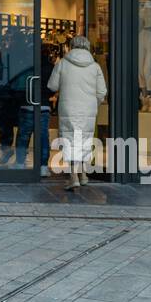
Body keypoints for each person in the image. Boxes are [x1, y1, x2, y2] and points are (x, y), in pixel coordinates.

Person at [47, 35, 107, 190]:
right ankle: (84, 174)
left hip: (68, 107)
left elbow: (52, 85)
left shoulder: (63, 63)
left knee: (69, 139)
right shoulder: (95, 66)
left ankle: (73, 175)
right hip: (88, 108)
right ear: (88, 47)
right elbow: (102, 91)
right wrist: (94, 103)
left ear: (71, 46)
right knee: (85, 139)